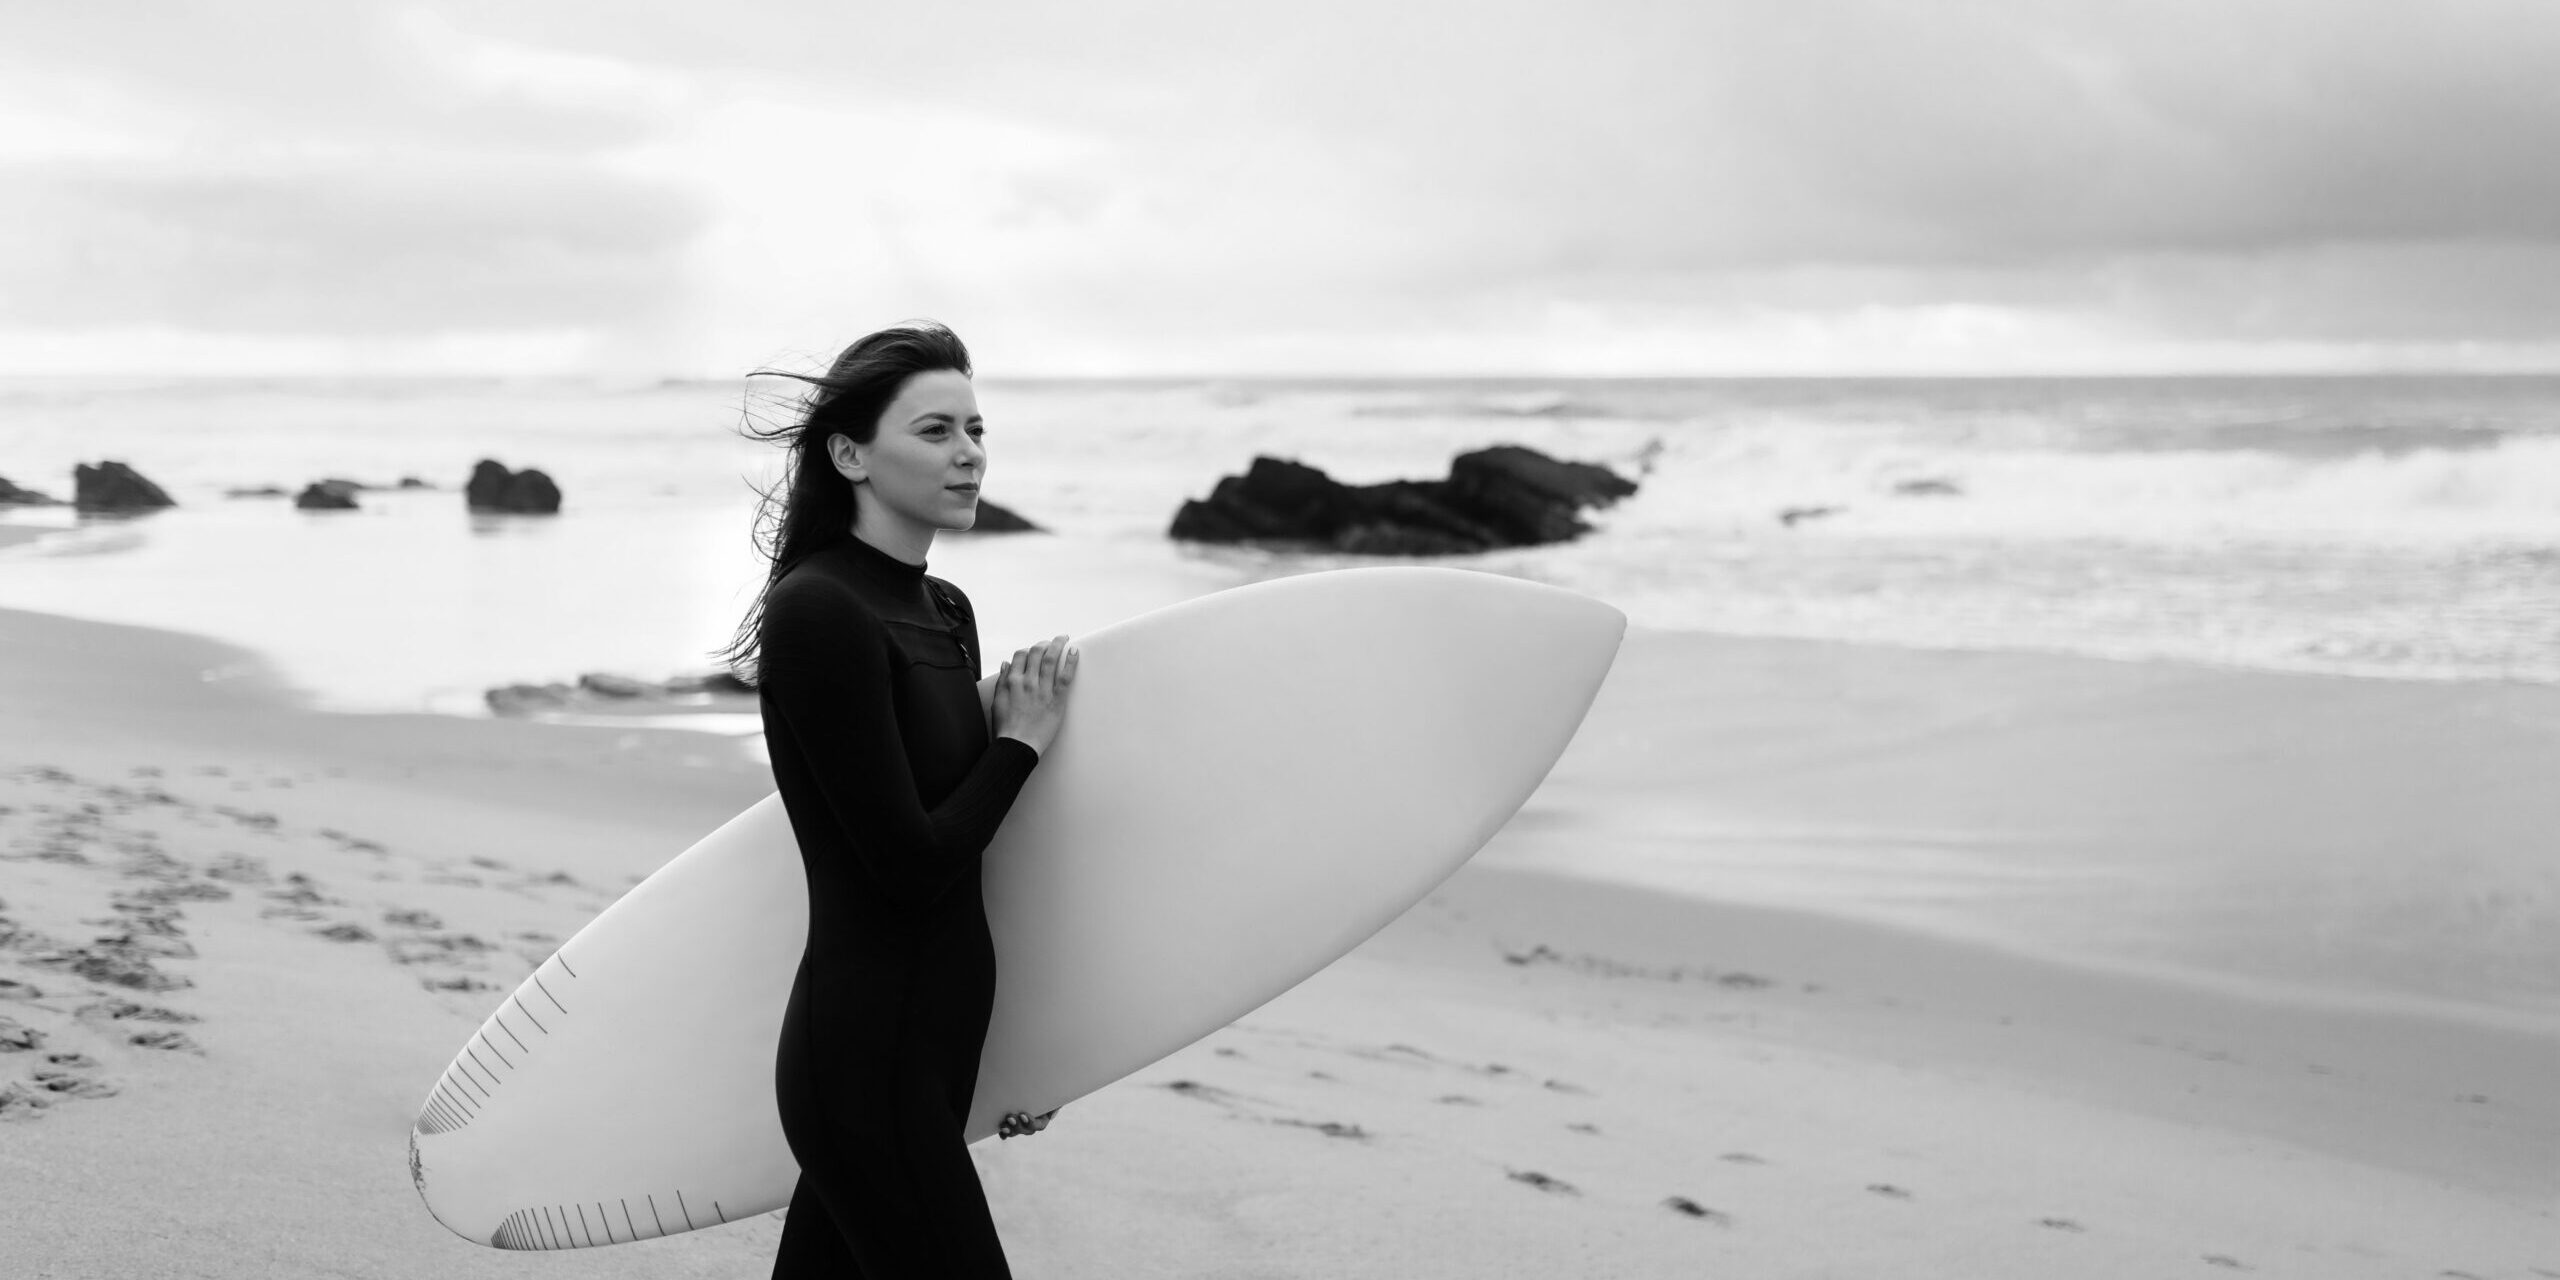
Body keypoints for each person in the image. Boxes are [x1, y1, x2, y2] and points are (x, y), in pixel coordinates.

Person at [720, 320, 1072, 1278]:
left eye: (976, 428)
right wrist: (1018, 743)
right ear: (849, 454)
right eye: (934, 431)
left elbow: (979, 861)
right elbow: (909, 866)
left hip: (938, 1055)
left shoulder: (945, 609)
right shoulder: (818, 610)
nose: (968, 454)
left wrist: (1036, 1059)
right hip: (865, 1064)